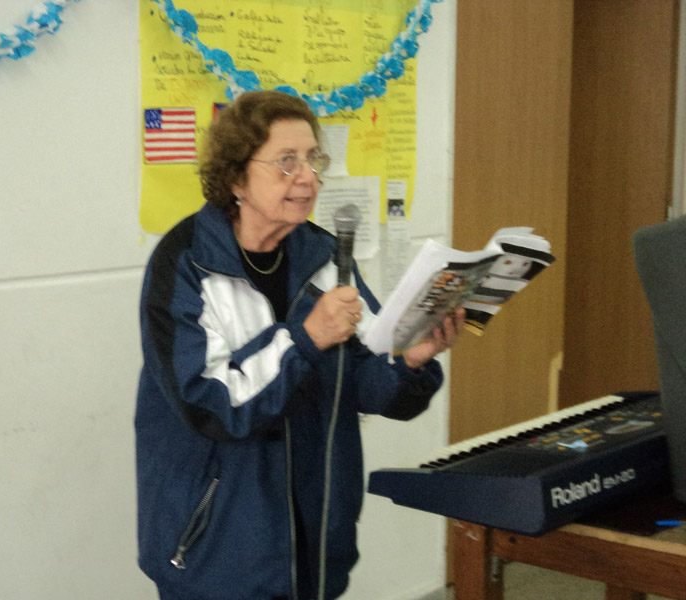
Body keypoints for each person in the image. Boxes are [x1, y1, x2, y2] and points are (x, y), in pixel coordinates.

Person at [135, 89, 464, 600]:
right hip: (217, 548)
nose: (307, 176)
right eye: (286, 162)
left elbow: (369, 384)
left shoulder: (324, 256)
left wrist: (411, 361)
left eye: (313, 159)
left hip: (315, 535)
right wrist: (306, 340)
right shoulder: (185, 264)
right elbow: (211, 405)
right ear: (235, 178)